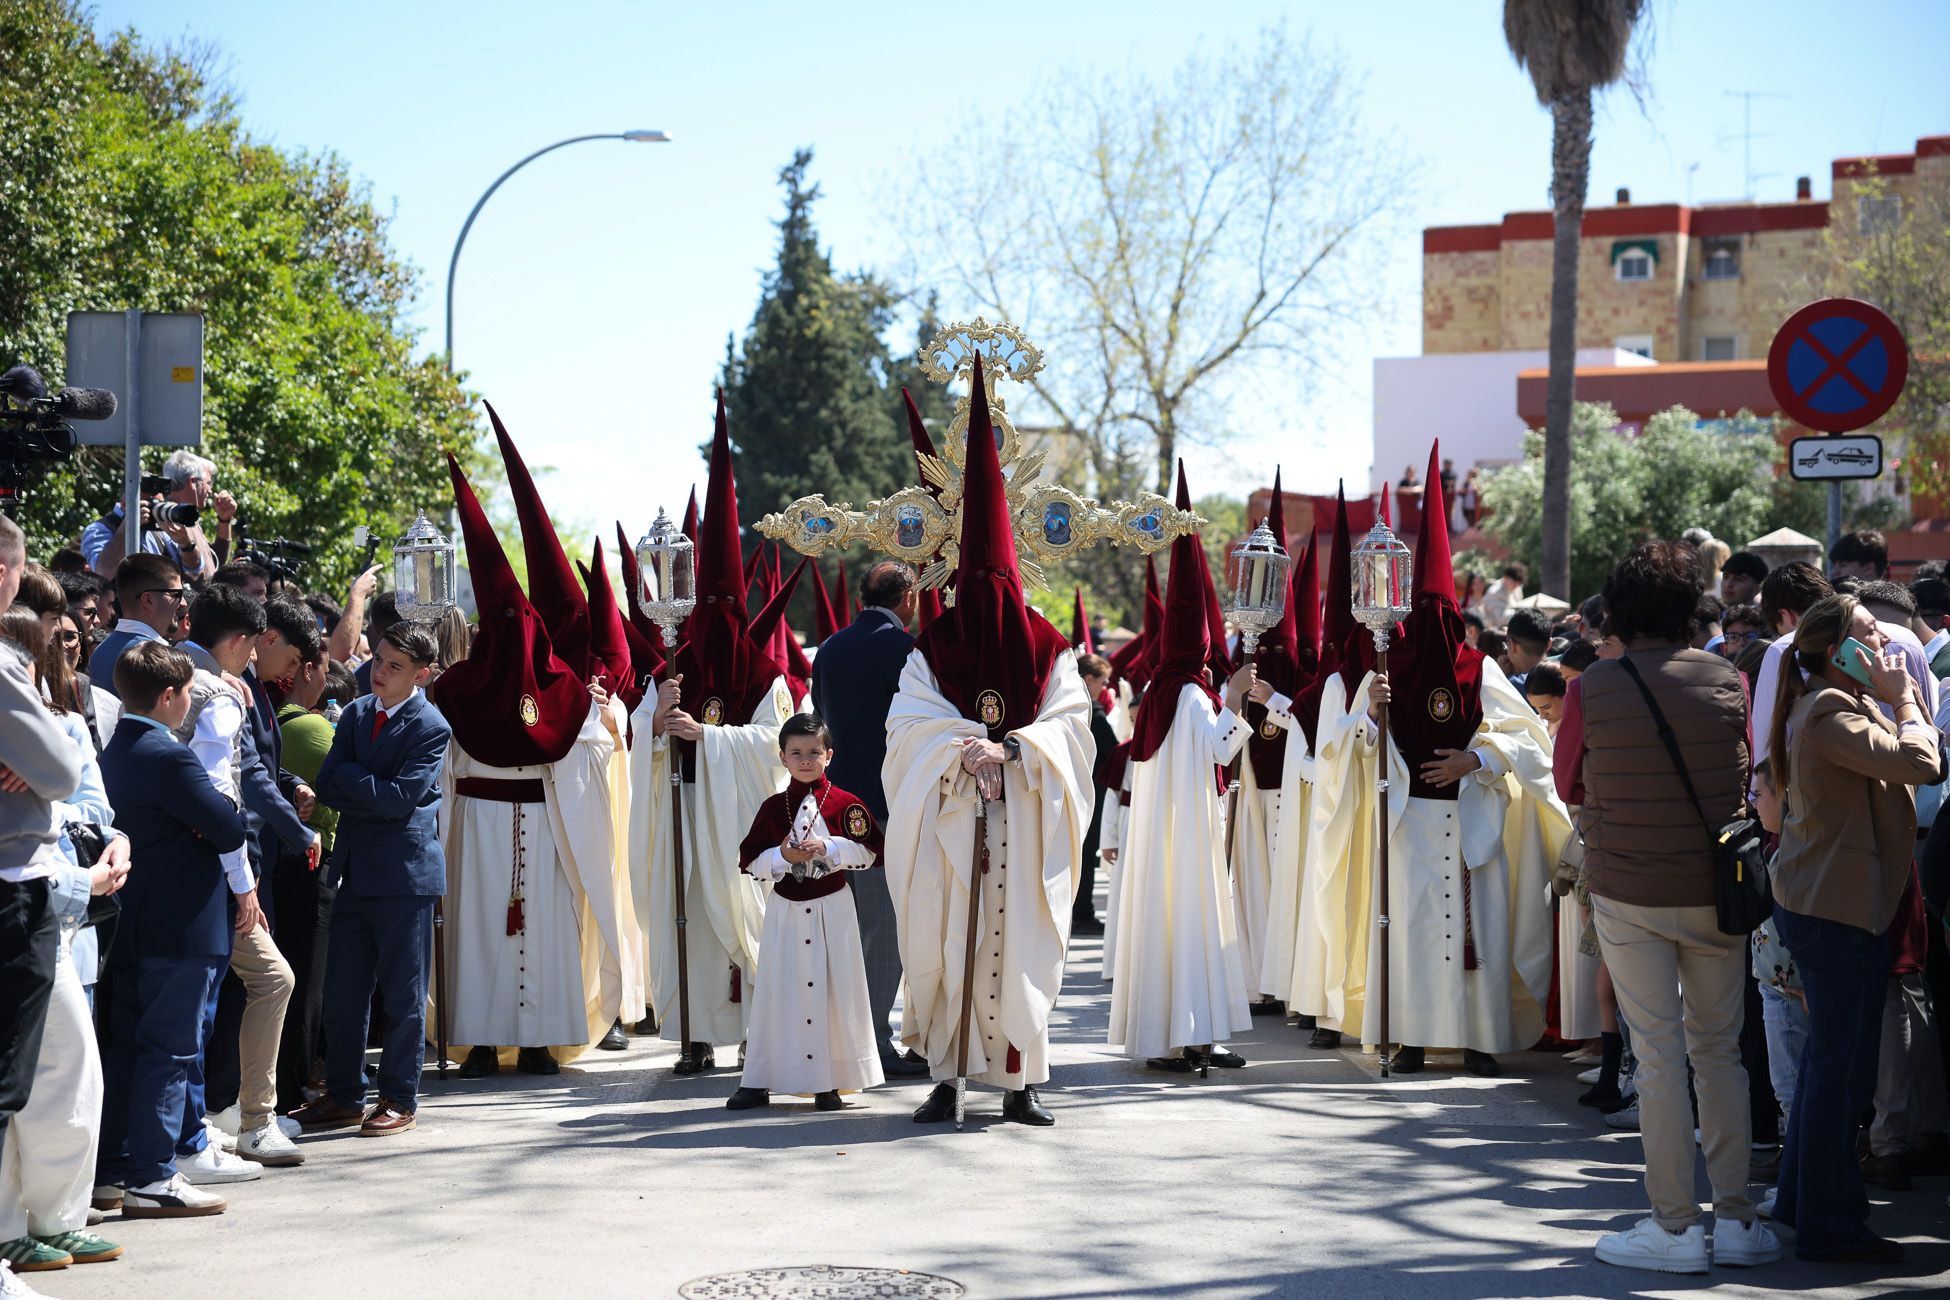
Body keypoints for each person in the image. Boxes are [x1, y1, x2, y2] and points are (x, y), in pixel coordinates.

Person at [1553, 539, 1774, 1273]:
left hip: (1629, 891)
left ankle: (1675, 1229)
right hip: (1717, 888)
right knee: (1721, 1056)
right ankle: (1738, 1220)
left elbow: (1569, 784)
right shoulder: (1727, 679)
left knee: (1658, 1058)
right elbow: (1744, 776)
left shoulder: (1593, 688)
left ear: (1619, 612)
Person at [1311, 443, 1568, 1077]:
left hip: (1471, 820)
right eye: (1423, 614)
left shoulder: (1476, 668)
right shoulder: (1386, 668)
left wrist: (1474, 761)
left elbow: (1527, 735)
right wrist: (1372, 715)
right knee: (1413, 931)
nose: (1434, 625)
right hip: (1407, 822)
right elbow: (1351, 750)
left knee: (1475, 931)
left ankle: (1479, 1039)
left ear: (1460, 619)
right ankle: (1413, 1037)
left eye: (1443, 614)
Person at [884, 355, 1093, 1127]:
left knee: (1022, 943)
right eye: (984, 584)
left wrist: (1013, 753)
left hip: (1023, 818)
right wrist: (961, 750)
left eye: (1002, 583)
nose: (993, 597)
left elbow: (1074, 725)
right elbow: (907, 726)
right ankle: (946, 1076)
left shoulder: (1048, 645)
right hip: (952, 818)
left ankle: (1019, 1081)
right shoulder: (933, 645)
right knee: (945, 942)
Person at [438, 432, 640, 1078]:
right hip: (489, 828)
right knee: (483, 935)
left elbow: (591, 747)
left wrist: (607, 722)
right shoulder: (462, 691)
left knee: (537, 932)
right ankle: (478, 1039)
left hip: (530, 827)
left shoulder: (551, 692)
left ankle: (535, 1041)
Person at [1768, 593, 1939, 1262]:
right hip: (1834, 912)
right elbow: (1922, 763)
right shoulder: (1830, 711)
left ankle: (1799, 1203)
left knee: (1826, 1067)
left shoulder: (1833, 703)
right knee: (1843, 1077)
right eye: (1871, 636)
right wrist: (1906, 699)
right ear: (1838, 651)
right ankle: (1830, 1226)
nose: (1888, 649)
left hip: (1835, 904)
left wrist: (1894, 699)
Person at [630, 395, 793, 1073]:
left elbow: (781, 748)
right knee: (687, 916)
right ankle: (694, 1035)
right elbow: (641, 733)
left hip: (735, 814)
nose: (723, 617)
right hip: (682, 805)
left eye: (733, 605)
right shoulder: (675, 662)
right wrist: (657, 720)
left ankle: (756, 1031)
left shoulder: (764, 671)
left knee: (745, 918)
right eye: (713, 605)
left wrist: (707, 736)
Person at [1109, 464, 1256, 1073]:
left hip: (1164, 833)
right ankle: (1192, 1036)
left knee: (1171, 928)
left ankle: (1183, 1035)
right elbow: (1222, 750)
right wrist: (1241, 696)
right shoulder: (1194, 695)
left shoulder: (1158, 695)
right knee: (1195, 926)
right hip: (1191, 832)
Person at [94, 641, 247, 1219]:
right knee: (171, 1051)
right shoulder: (171, 756)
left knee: (128, 1049)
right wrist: (208, 819)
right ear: (168, 696)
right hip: (180, 928)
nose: (189, 703)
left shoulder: (114, 752)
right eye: (186, 692)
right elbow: (229, 827)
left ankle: (114, 1170)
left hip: (128, 923)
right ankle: (154, 1174)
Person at [0, 611, 127, 1275]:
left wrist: (112, 842)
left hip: (55, 906)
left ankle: (57, 1216)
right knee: (10, 1079)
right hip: (21, 897)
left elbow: (92, 805)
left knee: (70, 1065)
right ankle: (7, 1227)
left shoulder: (66, 722)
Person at [291, 623, 450, 1137]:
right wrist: (364, 788)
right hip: (355, 870)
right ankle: (343, 1095)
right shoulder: (357, 712)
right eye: (378, 660)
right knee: (343, 993)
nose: (377, 672)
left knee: (403, 997)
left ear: (421, 674)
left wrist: (354, 784)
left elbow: (398, 798)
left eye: (393, 666)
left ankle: (400, 1097)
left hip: (405, 877)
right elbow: (329, 782)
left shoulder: (431, 726)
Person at [172, 588, 303, 1174]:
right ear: (242, 641)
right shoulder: (218, 693)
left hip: (179, 868)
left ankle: (204, 1126)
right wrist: (243, 883)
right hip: (209, 875)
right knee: (238, 992)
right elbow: (217, 797)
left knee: (201, 1004)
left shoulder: (173, 672)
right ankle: (242, 1125)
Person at [808, 558, 929, 1077]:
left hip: (833, 805)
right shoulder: (903, 650)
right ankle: (872, 1044)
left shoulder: (830, 647)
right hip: (884, 808)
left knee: (843, 924)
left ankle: (836, 1035)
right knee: (883, 929)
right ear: (908, 599)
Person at [726, 714, 884, 1112]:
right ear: (782, 757)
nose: (805, 760)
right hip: (786, 913)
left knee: (832, 991)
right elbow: (749, 862)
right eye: (796, 752)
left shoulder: (848, 804)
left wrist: (828, 848)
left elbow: (870, 853)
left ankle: (828, 1081)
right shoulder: (772, 807)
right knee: (779, 992)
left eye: (814, 752)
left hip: (833, 909)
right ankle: (759, 1079)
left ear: (828, 755)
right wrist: (781, 854)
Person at [271, 652, 345, 1115]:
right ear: (306, 670)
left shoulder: (271, 719)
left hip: (278, 864)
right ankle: (294, 1088)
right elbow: (349, 786)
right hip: (313, 863)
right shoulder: (315, 728)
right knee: (307, 981)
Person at [80, 450, 230, 582]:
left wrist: (186, 544)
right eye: (149, 504)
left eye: (158, 503)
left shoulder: (160, 528)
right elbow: (104, 573)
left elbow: (194, 571)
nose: (155, 509)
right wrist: (129, 526)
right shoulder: (100, 529)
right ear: (126, 504)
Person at [87, 554, 184, 700]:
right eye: (176, 594)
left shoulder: (101, 651)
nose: (183, 603)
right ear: (148, 600)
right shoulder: (154, 657)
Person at [1071, 653, 1118, 938]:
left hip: (1076, 788)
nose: (1104, 687)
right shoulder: (1093, 711)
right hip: (1091, 790)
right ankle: (1082, 913)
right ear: (1088, 680)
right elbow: (1113, 752)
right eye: (1102, 681)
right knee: (1086, 854)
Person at [1504, 609, 1550, 686]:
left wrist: (1500, 676)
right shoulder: (1567, 674)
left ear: (1513, 645)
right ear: (1549, 644)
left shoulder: (1508, 685)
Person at [1478, 563, 1526, 631]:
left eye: (1518, 584)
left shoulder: (1517, 589)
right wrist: (1521, 612)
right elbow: (1500, 619)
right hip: (1495, 632)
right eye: (1513, 582)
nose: (1516, 585)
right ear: (1505, 578)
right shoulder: (1494, 592)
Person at [1523, 661, 1567, 735]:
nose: (1542, 715)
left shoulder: (1585, 725)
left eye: (1547, 707)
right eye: (1536, 708)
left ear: (1565, 694)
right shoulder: (1537, 725)